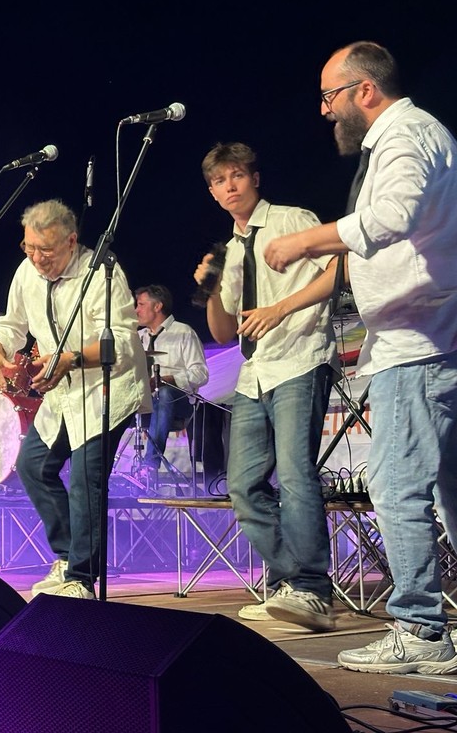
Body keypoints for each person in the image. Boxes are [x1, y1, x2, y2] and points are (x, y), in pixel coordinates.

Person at [263, 41, 457, 673]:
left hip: (417, 342)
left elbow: (391, 216)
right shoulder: (416, 135)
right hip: (429, 337)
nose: (325, 110)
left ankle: (420, 629)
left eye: (330, 95)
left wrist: (304, 242)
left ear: (364, 90)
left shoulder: (404, 136)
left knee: (396, 485)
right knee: (448, 490)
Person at [193, 142, 338, 631]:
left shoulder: (292, 220)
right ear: (212, 193)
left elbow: (338, 270)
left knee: (295, 476)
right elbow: (222, 332)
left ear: (254, 178)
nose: (229, 186)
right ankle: (289, 584)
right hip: (254, 374)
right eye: (219, 181)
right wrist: (212, 289)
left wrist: (281, 308)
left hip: (300, 358)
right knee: (242, 486)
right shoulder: (230, 252)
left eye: (236, 175)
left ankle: (312, 588)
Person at [0, 199, 149, 599]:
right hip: (63, 395)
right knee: (32, 466)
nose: (37, 258)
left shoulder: (102, 272)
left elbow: (123, 343)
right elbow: (12, 325)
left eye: (47, 250)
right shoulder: (26, 271)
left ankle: (81, 578)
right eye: (29, 248)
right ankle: (67, 557)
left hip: (106, 389)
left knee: (85, 481)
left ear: (71, 242)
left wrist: (70, 359)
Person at [134, 284, 209, 480]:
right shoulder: (137, 337)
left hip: (179, 402)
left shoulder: (183, 332)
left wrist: (167, 380)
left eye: (141, 304)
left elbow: (201, 374)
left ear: (157, 306)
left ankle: (150, 464)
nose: (136, 310)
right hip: (144, 400)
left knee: (164, 393)